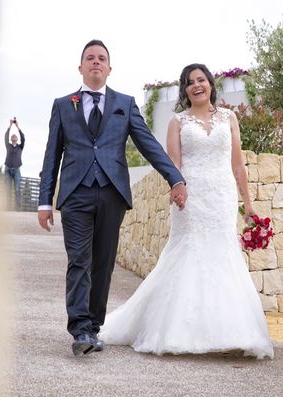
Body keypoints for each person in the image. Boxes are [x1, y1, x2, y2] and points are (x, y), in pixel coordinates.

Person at [99, 63, 274, 359]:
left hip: (221, 197)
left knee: (222, 254)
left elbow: (237, 164)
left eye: (201, 80)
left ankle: (231, 332)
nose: (197, 85)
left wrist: (249, 204)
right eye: (190, 82)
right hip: (190, 199)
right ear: (185, 90)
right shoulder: (177, 122)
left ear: (210, 85)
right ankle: (177, 330)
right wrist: (176, 188)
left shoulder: (229, 118)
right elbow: (173, 164)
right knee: (188, 254)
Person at [37, 39, 187, 356]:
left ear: (109, 68)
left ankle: (93, 326)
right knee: (79, 260)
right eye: (89, 58)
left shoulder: (125, 103)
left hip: (112, 194)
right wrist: (44, 200)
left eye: (101, 58)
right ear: (80, 67)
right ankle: (79, 330)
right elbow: (52, 155)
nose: (95, 62)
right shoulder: (64, 105)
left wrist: (174, 177)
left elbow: (148, 144)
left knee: (103, 263)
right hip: (76, 194)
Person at [4, 118, 25, 210]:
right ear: (11, 139)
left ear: (17, 139)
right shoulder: (8, 145)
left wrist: (17, 126)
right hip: (7, 169)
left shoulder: (20, 146)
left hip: (17, 170)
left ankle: (17, 208)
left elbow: (23, 138)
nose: (13, 136)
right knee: (8, 189)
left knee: (17, 189)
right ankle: (7, 208)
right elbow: (6, 136)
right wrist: (10, 125)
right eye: (12, 136)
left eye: (15, 136)